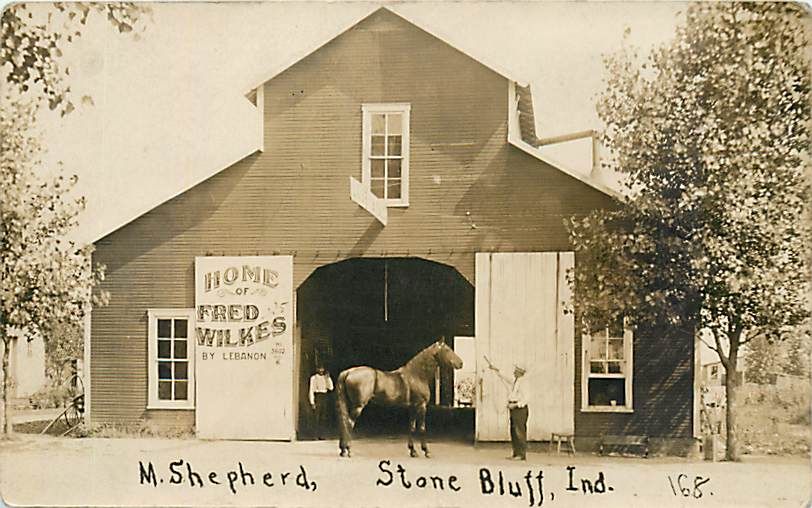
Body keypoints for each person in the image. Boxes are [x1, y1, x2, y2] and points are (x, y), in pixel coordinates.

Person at [488, 361, 530, 460]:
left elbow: (527, 398)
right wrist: (496, 369)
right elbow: (506, 378)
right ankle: (516, 453)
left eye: (516, 370)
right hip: (514, 408)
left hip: (520, 410)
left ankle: (521, 454)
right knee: (514, 431)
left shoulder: (524, 383)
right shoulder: (516, 381)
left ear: (520, 372)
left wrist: (515, 405)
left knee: (519, 431)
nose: (514, 372)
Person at [309, 365, 334, 439]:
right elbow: (311, 390)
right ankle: (315, 435)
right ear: (317, 369)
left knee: (323, 417)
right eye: (319, 368)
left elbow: (331, 388)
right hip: (318, 396)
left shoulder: (325, 378)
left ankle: (322, 435)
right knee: (316, 417)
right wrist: (312, 402)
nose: (321, 370)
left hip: (324, 396)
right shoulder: (313, 378)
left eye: (322, 368)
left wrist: (328, 378)